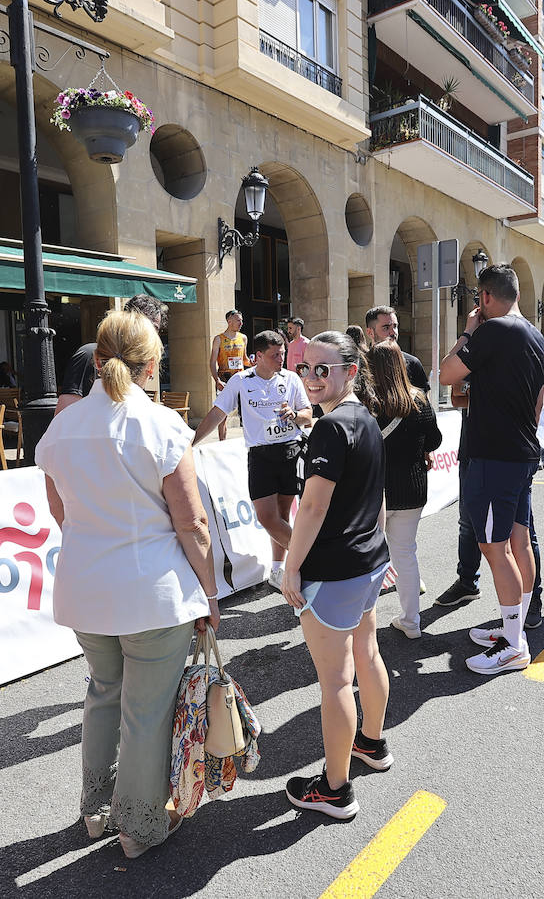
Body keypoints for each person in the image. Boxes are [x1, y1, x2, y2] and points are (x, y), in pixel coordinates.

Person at [36, 310, 220, 859]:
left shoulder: (61, 426)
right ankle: (137, 826)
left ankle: (97, 809)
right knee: (145, 710)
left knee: (103, 694)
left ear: (96, 360)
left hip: (86, 587)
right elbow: (193, 523)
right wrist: (210, 596)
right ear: (152, 365)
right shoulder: (161, 424)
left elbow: (58, 511)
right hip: (152, 592)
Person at [280, 331, 391, 819]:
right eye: (306, 367)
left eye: (322, 369)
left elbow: (313, 506)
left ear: (350, 371)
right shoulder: (365, 418)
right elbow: (376, 496)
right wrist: (380, 549)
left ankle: (336, 788)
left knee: (335, 681)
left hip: (337, 568)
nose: (311, 378)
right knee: (366, 655)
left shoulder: (331, 428)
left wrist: (291, 567)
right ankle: (371, 743)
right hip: (367, 560)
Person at [438, 264, 544, 674]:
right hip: (521, 453)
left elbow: (446, 373)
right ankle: (512, 628)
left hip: (493, 456)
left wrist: (469, 330)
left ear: (485, 298)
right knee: (519, 542)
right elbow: (537, 404)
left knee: (493, 547)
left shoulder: (493, 331)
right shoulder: (536, 336)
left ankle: (514, 644)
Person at [193, 330, 313, 588]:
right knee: (267, 518)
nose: (281, 359)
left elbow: (308, 414)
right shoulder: (241, 380)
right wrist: (191, 442)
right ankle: (312, 558)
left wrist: (294, 415)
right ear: (257, 356)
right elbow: (217, 413)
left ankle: (278, 570)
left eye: (283, 354)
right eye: (275, 355)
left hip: (290, 450)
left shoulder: (291, 379)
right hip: (260, 455)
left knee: (282, 515)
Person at [367, 342, 442, 638]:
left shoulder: (367, 403)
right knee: (406, 555)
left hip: (375, 492)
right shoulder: (420, 400)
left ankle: (362, 627)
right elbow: (435, 440)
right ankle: (412, 622)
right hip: (412, 489)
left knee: (370, 560)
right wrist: (419, 447)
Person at [57, 294, 168, 414]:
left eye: (155, 329)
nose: (152, 334)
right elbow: (64, 414)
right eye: (149, 326)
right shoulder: (88, 354)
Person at [365, 306, 430, 391]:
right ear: (370, 332)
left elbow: (423, 401)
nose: (393, 332)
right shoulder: (362, 364)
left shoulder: (412, 363)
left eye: (395, 326)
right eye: (386, 328)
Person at [208, 309, 249, 440]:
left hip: (240, 378)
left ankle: (250, 440)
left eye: (242, 320)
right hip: (224, 378)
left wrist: (253, 363)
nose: (241, 323)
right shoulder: (219, 339)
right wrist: (217, 380)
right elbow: (212, 362)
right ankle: (222, 442)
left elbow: (244, 359)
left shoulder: (243, 338)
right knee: (222, 413)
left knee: (247, 411)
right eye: (238, 320)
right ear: (229, 321)